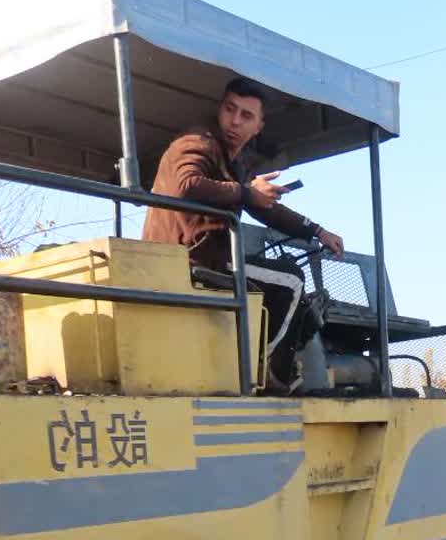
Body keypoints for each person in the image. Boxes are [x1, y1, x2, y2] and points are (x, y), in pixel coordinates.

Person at [141, 77, 345, 391]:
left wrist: (316, 230)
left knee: (272, 281)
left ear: (258, 126)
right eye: (230, 109)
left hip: (204, 256)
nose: (235, 121)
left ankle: (244, 360)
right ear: (220, 109)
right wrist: (247, 192)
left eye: (246, 115)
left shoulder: (233, 162)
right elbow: (186, 184)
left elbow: (265, 208)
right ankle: (268, 374)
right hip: (190, 259)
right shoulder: (198, 141)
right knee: (292, 280)